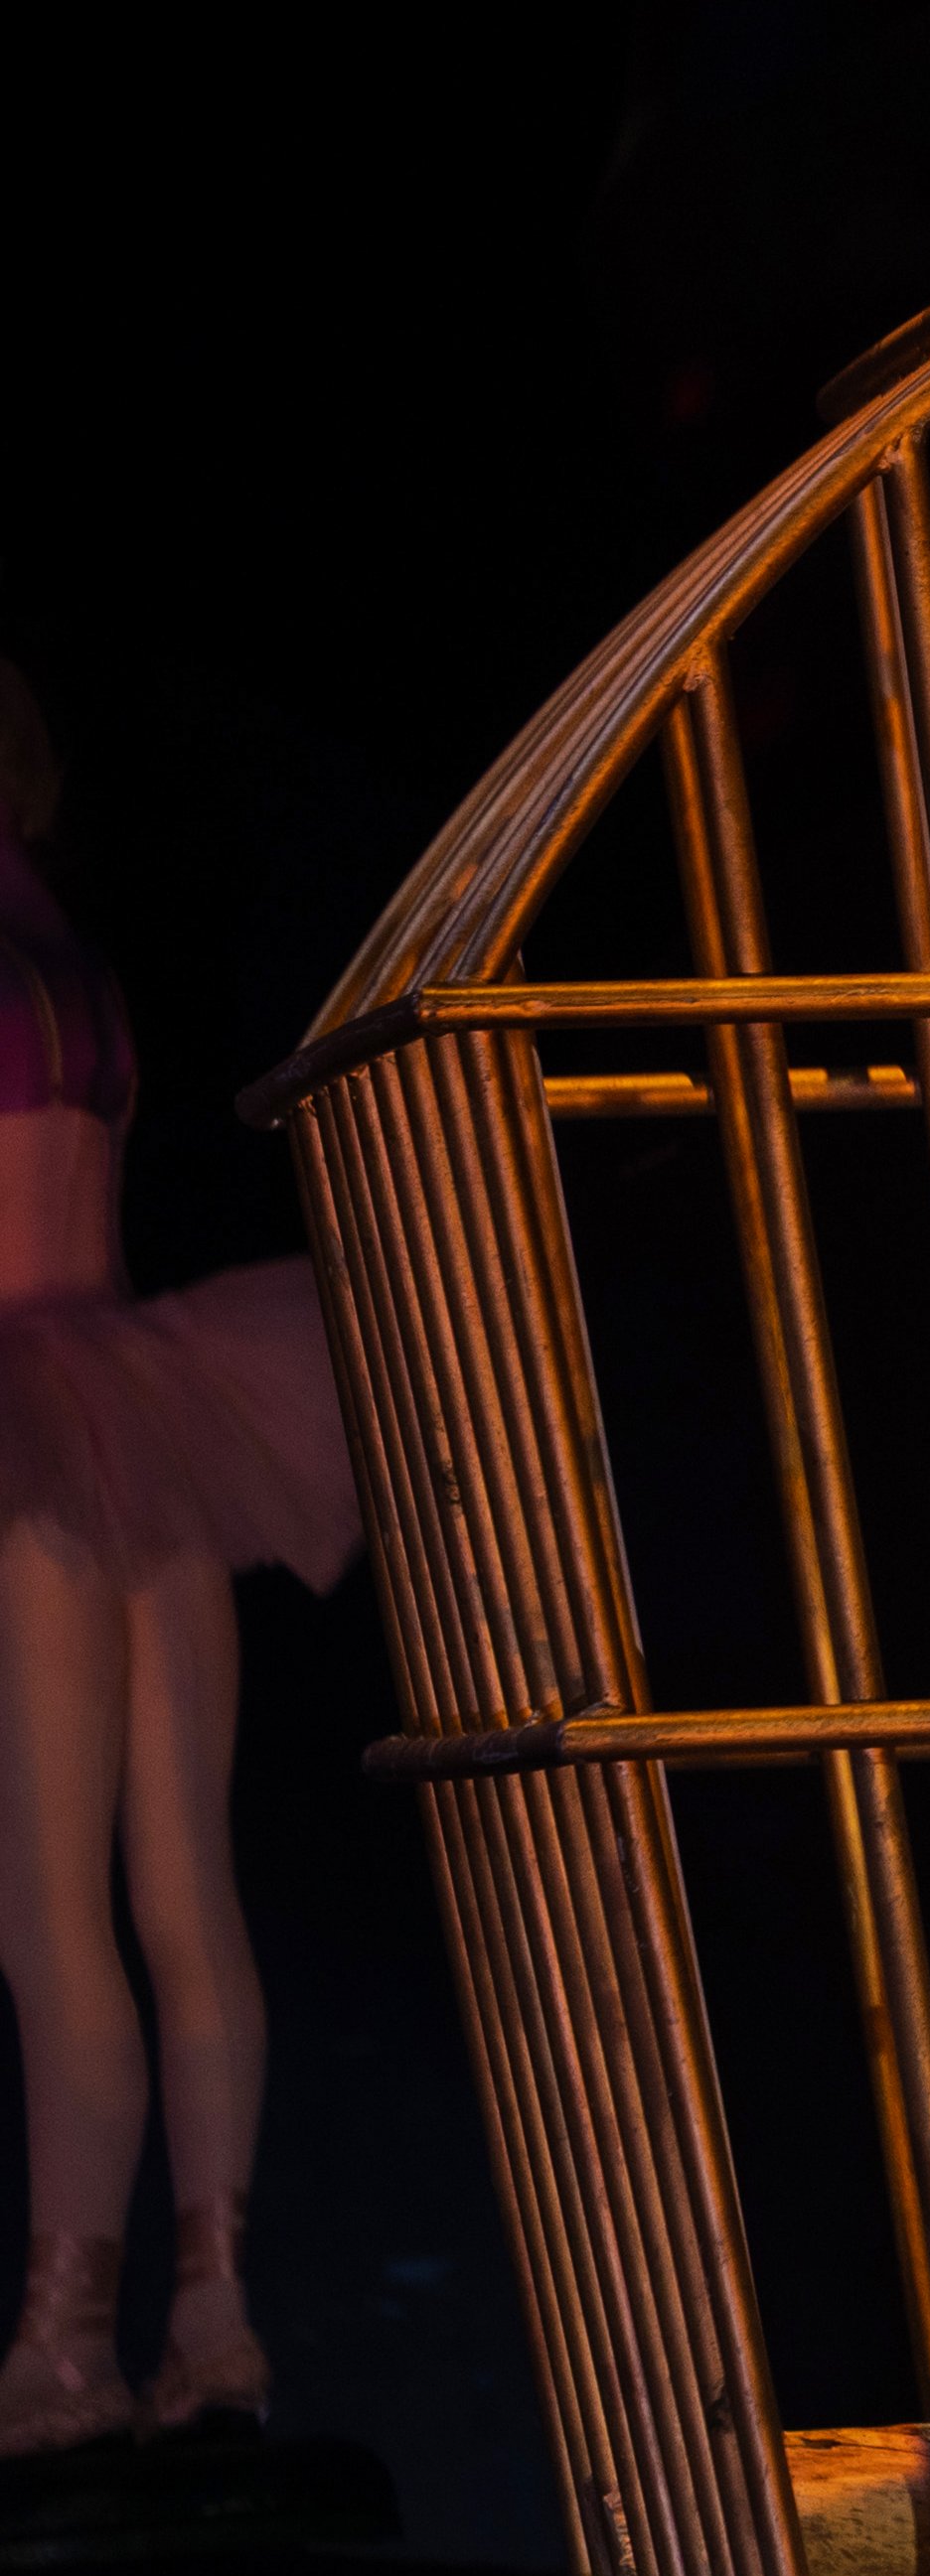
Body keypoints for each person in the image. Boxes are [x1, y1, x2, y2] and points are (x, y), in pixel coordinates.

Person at [0, 657, 358, 2458]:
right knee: (180, 1896)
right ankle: (211, 2317)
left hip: (35, 1438)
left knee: (51, 1911)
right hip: (146, 1394)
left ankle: (65, 2345)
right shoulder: (65, 957)